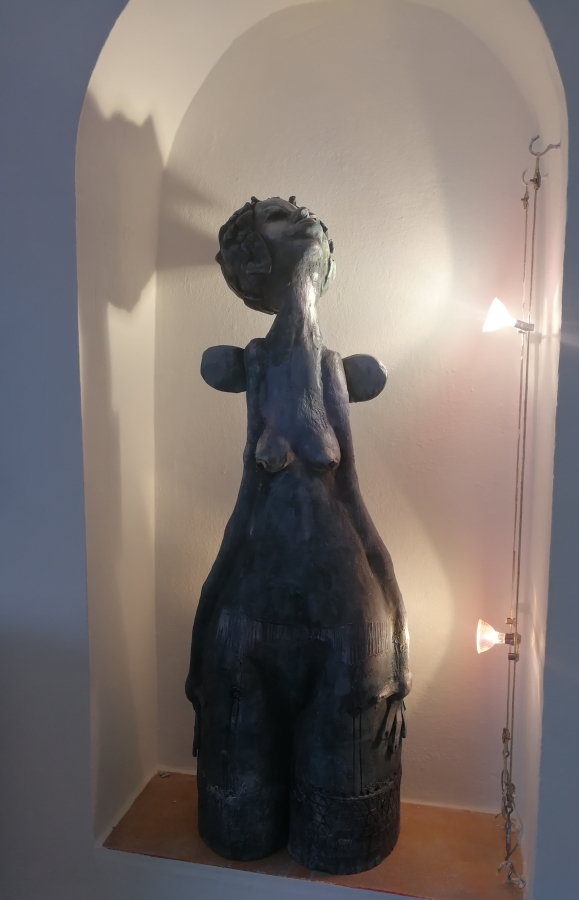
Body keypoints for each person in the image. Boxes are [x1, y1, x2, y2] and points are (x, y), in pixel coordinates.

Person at [185, 195, 411, 875]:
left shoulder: (341, 371)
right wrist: (201, 645)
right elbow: (241, 516)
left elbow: (356, 503)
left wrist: (399, 644)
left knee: (342, 835)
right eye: (282, 217)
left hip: (346, 616)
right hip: (251, 611)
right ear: (252, 257)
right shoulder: (249, 364)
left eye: (303, 213)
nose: (305, 217)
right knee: (237, 826)